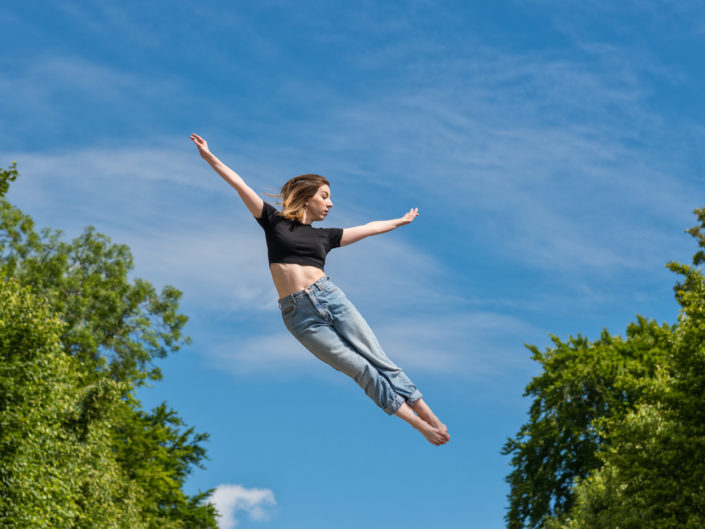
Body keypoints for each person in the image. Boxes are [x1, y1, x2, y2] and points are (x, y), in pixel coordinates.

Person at [190, 133, 450, 446]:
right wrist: (209, 157)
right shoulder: (273, 222)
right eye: (325, 196)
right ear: (307, 197)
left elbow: (368, 228)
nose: (330, 203)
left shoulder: (325, 237)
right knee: (360, 369)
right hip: (298, 317)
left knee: (378, 359)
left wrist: (400, 221)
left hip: (329, 297)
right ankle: (419, 426)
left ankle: (432, 417)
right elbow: (240, 184)